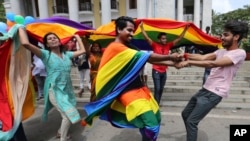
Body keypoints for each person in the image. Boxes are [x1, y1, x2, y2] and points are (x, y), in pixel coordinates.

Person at [81, 16, 184, 141]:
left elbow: (148, 58)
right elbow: (148, 56)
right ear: (119, 29)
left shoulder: (129, 47)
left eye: (133, 31)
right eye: (129, 30)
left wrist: (174, 63)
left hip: (140, 89)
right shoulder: (115, 48)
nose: (132, 33)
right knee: (152, 125)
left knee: (156, 117)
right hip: (129, 93)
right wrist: (170, 58)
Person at [176, 20, 248, 141]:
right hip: (205, 89)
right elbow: (203, 57)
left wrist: (188, 62)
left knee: (192, 121)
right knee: (185, 114)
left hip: (215, 93)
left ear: (236, 37)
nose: (222, 37)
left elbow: (212, 63)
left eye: (226, 35)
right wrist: (185, 55)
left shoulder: (240, 53)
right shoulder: (221, 51)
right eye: (222, 34)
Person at [18, 27, 86, 141]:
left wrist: (77, 37)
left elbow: (83, 51)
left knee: (69, 113)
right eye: (49, 39)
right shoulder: (45, 54)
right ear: (47, 44)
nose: (53, 40)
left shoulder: (67, 55)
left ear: (59, 41)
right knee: (67, 116)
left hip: (67, 90)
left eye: (55, 38)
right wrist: (20, 27)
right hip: (54, 90)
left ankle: (60, 132)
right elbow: (25, 43)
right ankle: (63, 138)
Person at [140, 22, 190, 104]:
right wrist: (142, 28)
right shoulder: (155, 45)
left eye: (165, 38)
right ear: (159, 39)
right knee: (158, 88)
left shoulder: (168, 45)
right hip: (156, 70)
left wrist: (185, 29)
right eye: (163, 38)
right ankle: (156, 105)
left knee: (161, 88)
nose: (165, 40)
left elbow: (179, 39)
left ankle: (157, 103)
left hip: (164, 71)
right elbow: (146, 38)